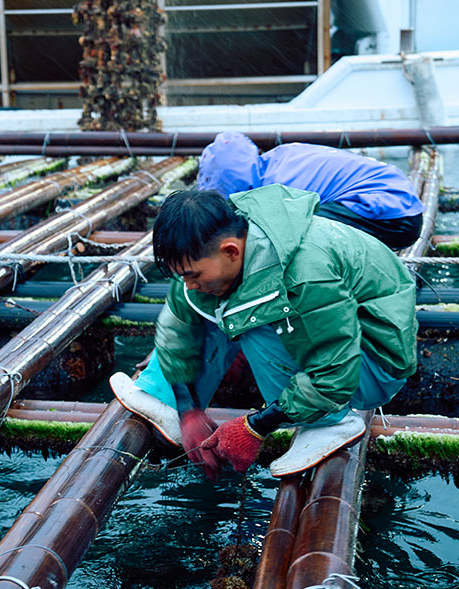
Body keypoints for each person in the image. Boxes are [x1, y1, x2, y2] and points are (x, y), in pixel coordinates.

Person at [110, 185, 418, 477]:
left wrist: (255, 426)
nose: (188, 283)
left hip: (371, 361)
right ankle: (164, 398)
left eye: (193, 274)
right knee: (203, 301)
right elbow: (179, 323)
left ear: (231, 251)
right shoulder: (216, 252)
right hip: (329, 345)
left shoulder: (306, 274)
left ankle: (329, 423)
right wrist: (187, 410)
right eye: (182, 275)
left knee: (253, 318)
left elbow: (335, 373)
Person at [196, 131, 425, 249]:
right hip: (397, 200)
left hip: (390, 215)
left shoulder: (275, 187)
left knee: (290, 233)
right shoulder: (278, 159)